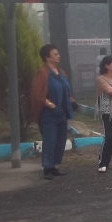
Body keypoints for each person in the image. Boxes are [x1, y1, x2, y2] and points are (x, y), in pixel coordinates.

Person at [30, 44, 78, 181]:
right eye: (55, 54)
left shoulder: (61, 72)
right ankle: (47, 167)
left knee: (60, 140)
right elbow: (37, 94)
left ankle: (54, 166)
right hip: (48, 114)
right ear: (47, 57)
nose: (58, 56)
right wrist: (51, 105)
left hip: (62, 112)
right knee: (50, 140)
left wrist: (72, 101)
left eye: (58, 54)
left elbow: (66, 89)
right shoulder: (43, 73)